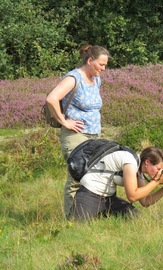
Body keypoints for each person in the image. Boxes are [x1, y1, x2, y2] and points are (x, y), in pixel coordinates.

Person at [45, 44, 110, 220]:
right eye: (101, 64)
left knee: (94, 177)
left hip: (93, 136)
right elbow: (52, 98)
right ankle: (71, 220)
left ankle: (90, 214)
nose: (103, 69)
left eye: (105, 65)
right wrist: (64, 121)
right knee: (77, 177)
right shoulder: (74, 78)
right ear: (90, 60)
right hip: (75, 136)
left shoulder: (96, 79)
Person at [72, 146, 163, 221]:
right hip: (89, 193)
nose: (159, 172)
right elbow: (132, 196)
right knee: (79, 228)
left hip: (108, 198)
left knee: (136, 218)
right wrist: (156, 181)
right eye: (158, 168)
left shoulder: (139, 170)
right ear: (147, 162)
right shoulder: (130, 162)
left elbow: (145, 201)